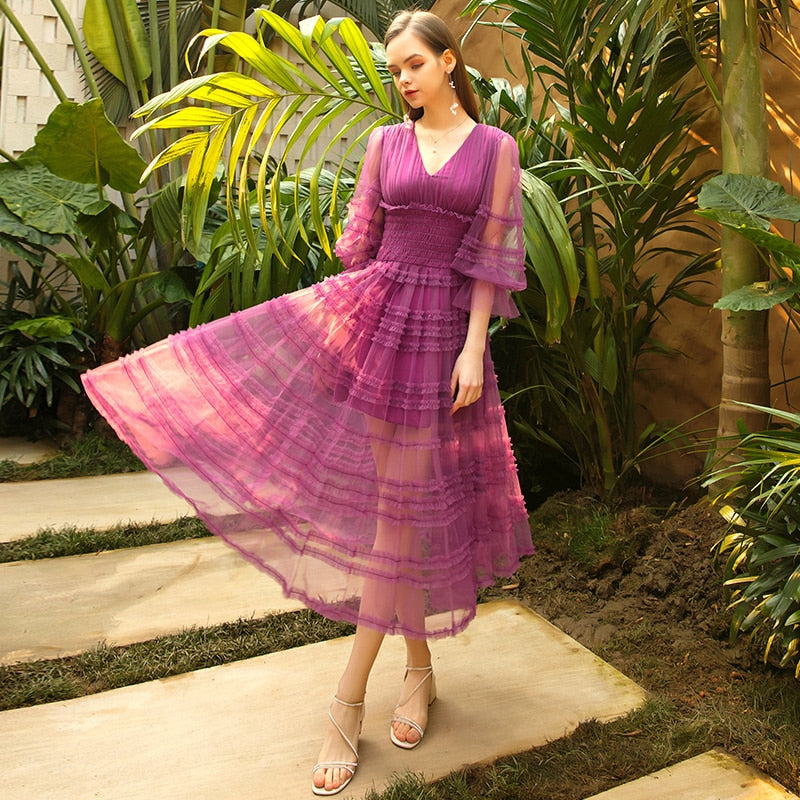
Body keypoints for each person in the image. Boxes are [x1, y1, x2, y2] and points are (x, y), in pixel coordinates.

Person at [81, 9, 533, 797]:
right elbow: (362, 244)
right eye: (394, 69)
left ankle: (350, 699)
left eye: (414, 64)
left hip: (444, 342)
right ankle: (410, 676)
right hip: (379, 325)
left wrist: (473, 347)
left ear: (448, 62)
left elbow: (490, 255)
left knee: (399, 518)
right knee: (397, 516)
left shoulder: (496, 148)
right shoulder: (385, 142)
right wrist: (342, 314)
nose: (403, 79)